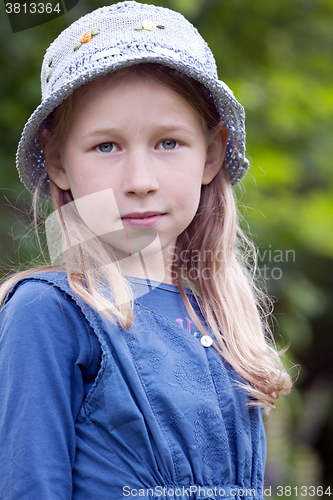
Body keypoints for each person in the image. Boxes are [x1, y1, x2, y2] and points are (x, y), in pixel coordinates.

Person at [0, 2, 291, 498]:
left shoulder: (219, 322)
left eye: (169, 143)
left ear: (212, 153)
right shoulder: (48, 314)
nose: (139, 182)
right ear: (58, 162)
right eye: (106, 147)